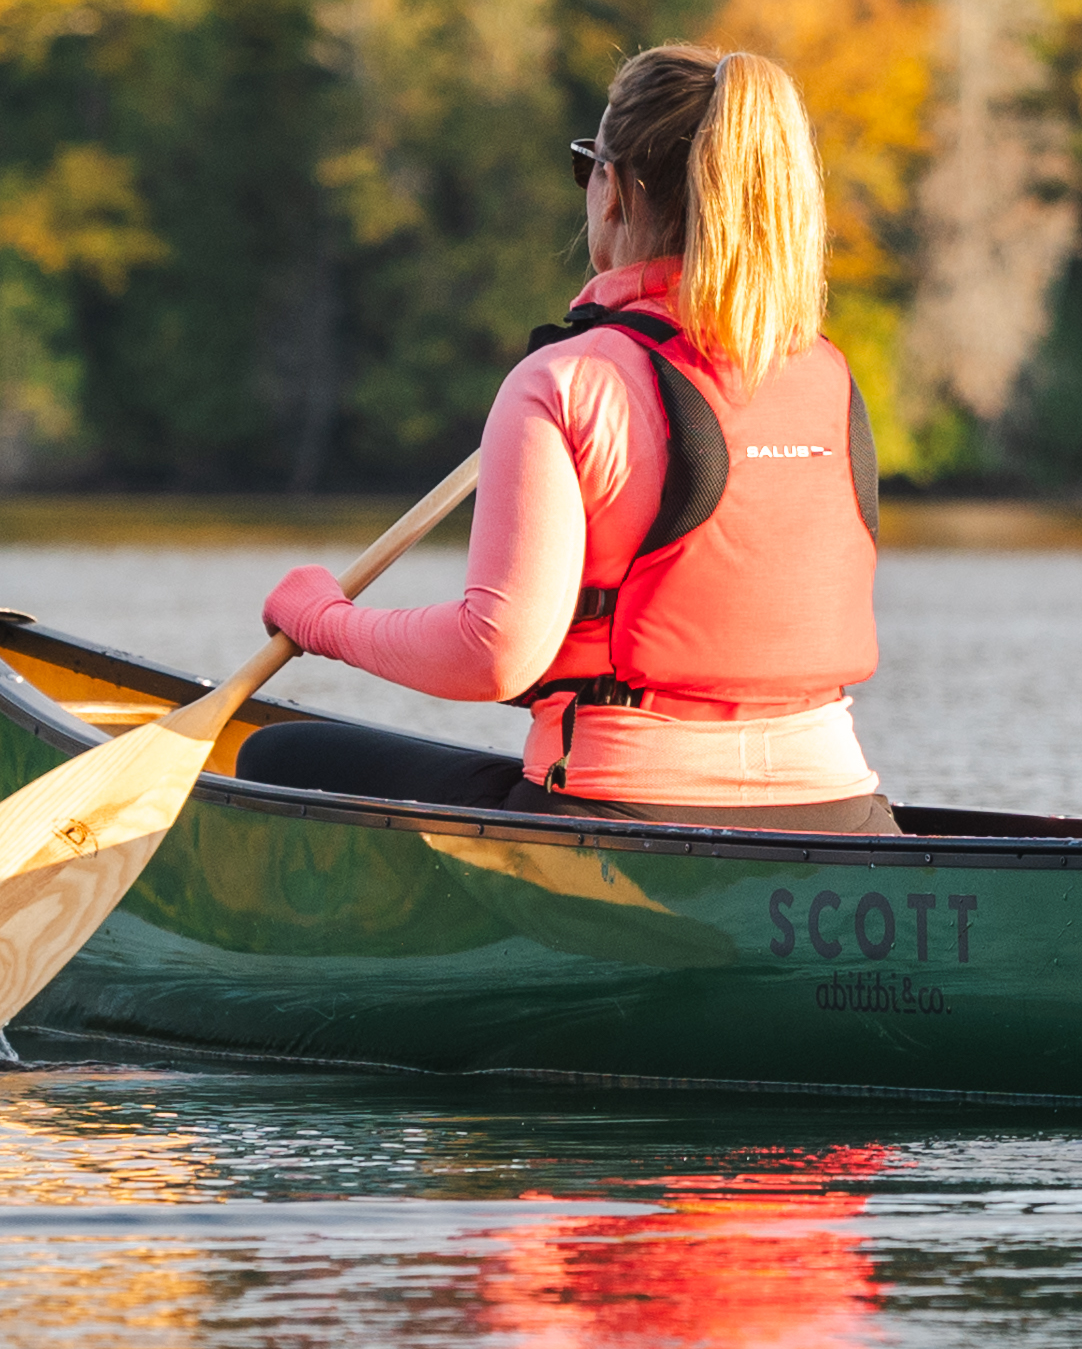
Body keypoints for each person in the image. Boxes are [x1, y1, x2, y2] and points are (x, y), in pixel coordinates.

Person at [240, 42, 902, 834]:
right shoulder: (827, 372)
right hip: (844, 815)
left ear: (613, 189)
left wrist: (323, 620)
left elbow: (496, 652)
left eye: (585, 164)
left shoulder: (567, 379)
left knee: (277, 759)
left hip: (625, 808)